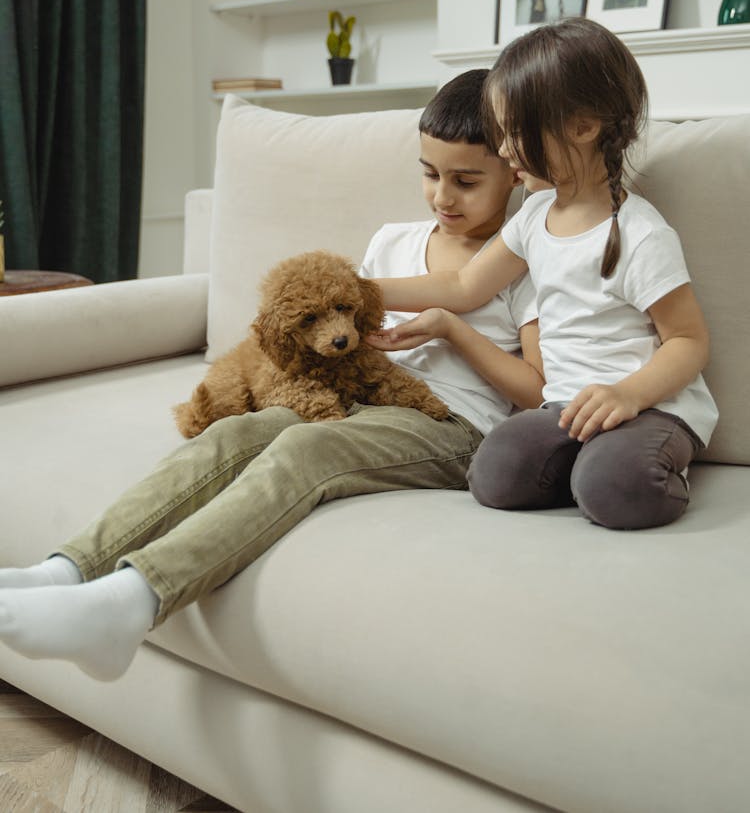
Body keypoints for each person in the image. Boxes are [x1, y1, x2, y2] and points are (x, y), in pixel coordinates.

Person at [0, 70, 542, 682]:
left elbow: (537, 391)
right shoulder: (393, 241)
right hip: (358, 394)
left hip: (454, 425)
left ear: (516, 174)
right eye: (429, 173)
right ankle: (66, 572)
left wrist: (453, 329)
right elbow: (335, 326)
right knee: (232, 436)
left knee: (308, 447)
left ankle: (131, 603)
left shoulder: (528, 261)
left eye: (466, 181)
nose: (443, 196)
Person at [372, 18, 718, 531]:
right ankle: (591, 468)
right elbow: (464, 286)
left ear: (581, 127)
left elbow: (688, 341)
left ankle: (624, 469)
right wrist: (356, 290)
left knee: (616, 489)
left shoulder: (641, 234)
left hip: (650, 408)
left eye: (514, 133)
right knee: (494, 474)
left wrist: (628, 395)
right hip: (566, 408)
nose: (505, 150)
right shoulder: (534, 217)